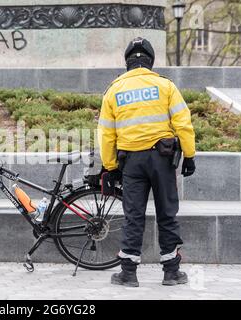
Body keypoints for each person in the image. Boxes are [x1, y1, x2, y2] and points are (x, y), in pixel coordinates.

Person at [97, 37, 196, 287]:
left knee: (133, 216)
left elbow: (106, 133)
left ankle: (128, 273)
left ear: (127, 62)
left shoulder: (114, 89)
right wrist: (190, 155)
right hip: (162, 160)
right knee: (167, 213)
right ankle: (171, 272)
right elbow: (183, 123)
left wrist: (109, 167)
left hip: (131, 162)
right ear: (150, 61)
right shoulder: (165, 86)